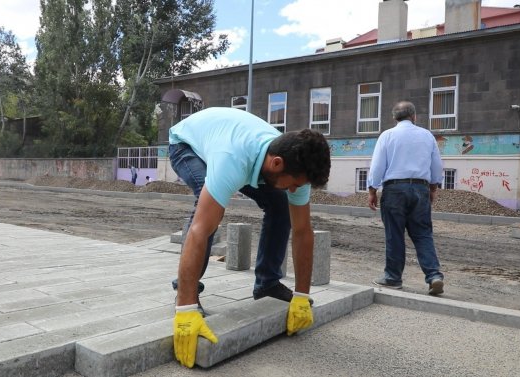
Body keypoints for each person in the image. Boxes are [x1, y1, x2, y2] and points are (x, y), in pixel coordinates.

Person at [169, 107, 331, 368]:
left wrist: (302, 294)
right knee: (207, 205)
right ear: (276, 164)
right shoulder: (232, 158)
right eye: (294, 184)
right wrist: (185, 311)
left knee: (280, 205)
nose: (295, 190)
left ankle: (267, 284)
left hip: (235, 145)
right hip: (187, 144)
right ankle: (185, 291)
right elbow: (200, 229)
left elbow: (303, 232)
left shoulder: (292, 165)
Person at [367, 101, 445, 296]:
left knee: (394, 234)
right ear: (414, 116)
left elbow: (377, 166)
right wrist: (433, 188)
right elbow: (437, 167)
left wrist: (372, 190)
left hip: (394, 190)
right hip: (420, 189)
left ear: (394, 118)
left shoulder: (387, 136)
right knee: (423, 234)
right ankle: (434, 276)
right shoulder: (427, 136)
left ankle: (393, 278)